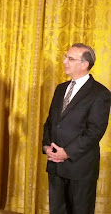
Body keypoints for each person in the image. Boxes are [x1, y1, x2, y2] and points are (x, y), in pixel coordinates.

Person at [42, 43, 111, 214]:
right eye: (66, 57)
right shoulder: (61, 89)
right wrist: (47, 146)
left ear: (84, 64)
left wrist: (66, 153)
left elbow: (94, 131)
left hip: (80, 167)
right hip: (55, 165)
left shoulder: (100, 93)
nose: (64, 61)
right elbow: (51, 122)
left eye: (70, 58)